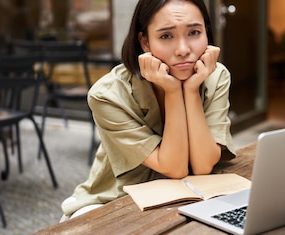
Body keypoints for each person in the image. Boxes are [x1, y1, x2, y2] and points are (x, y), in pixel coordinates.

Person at [60, 0, 236, 221]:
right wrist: (173, 91)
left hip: (184, 196)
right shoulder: (108, 94)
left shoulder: (215, 76)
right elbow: (174, 167)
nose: (183, 50)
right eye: (166, 36)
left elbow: (203, 164)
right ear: (144, 41)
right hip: (114, 202)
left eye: (194, 32)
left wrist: (190, 91)